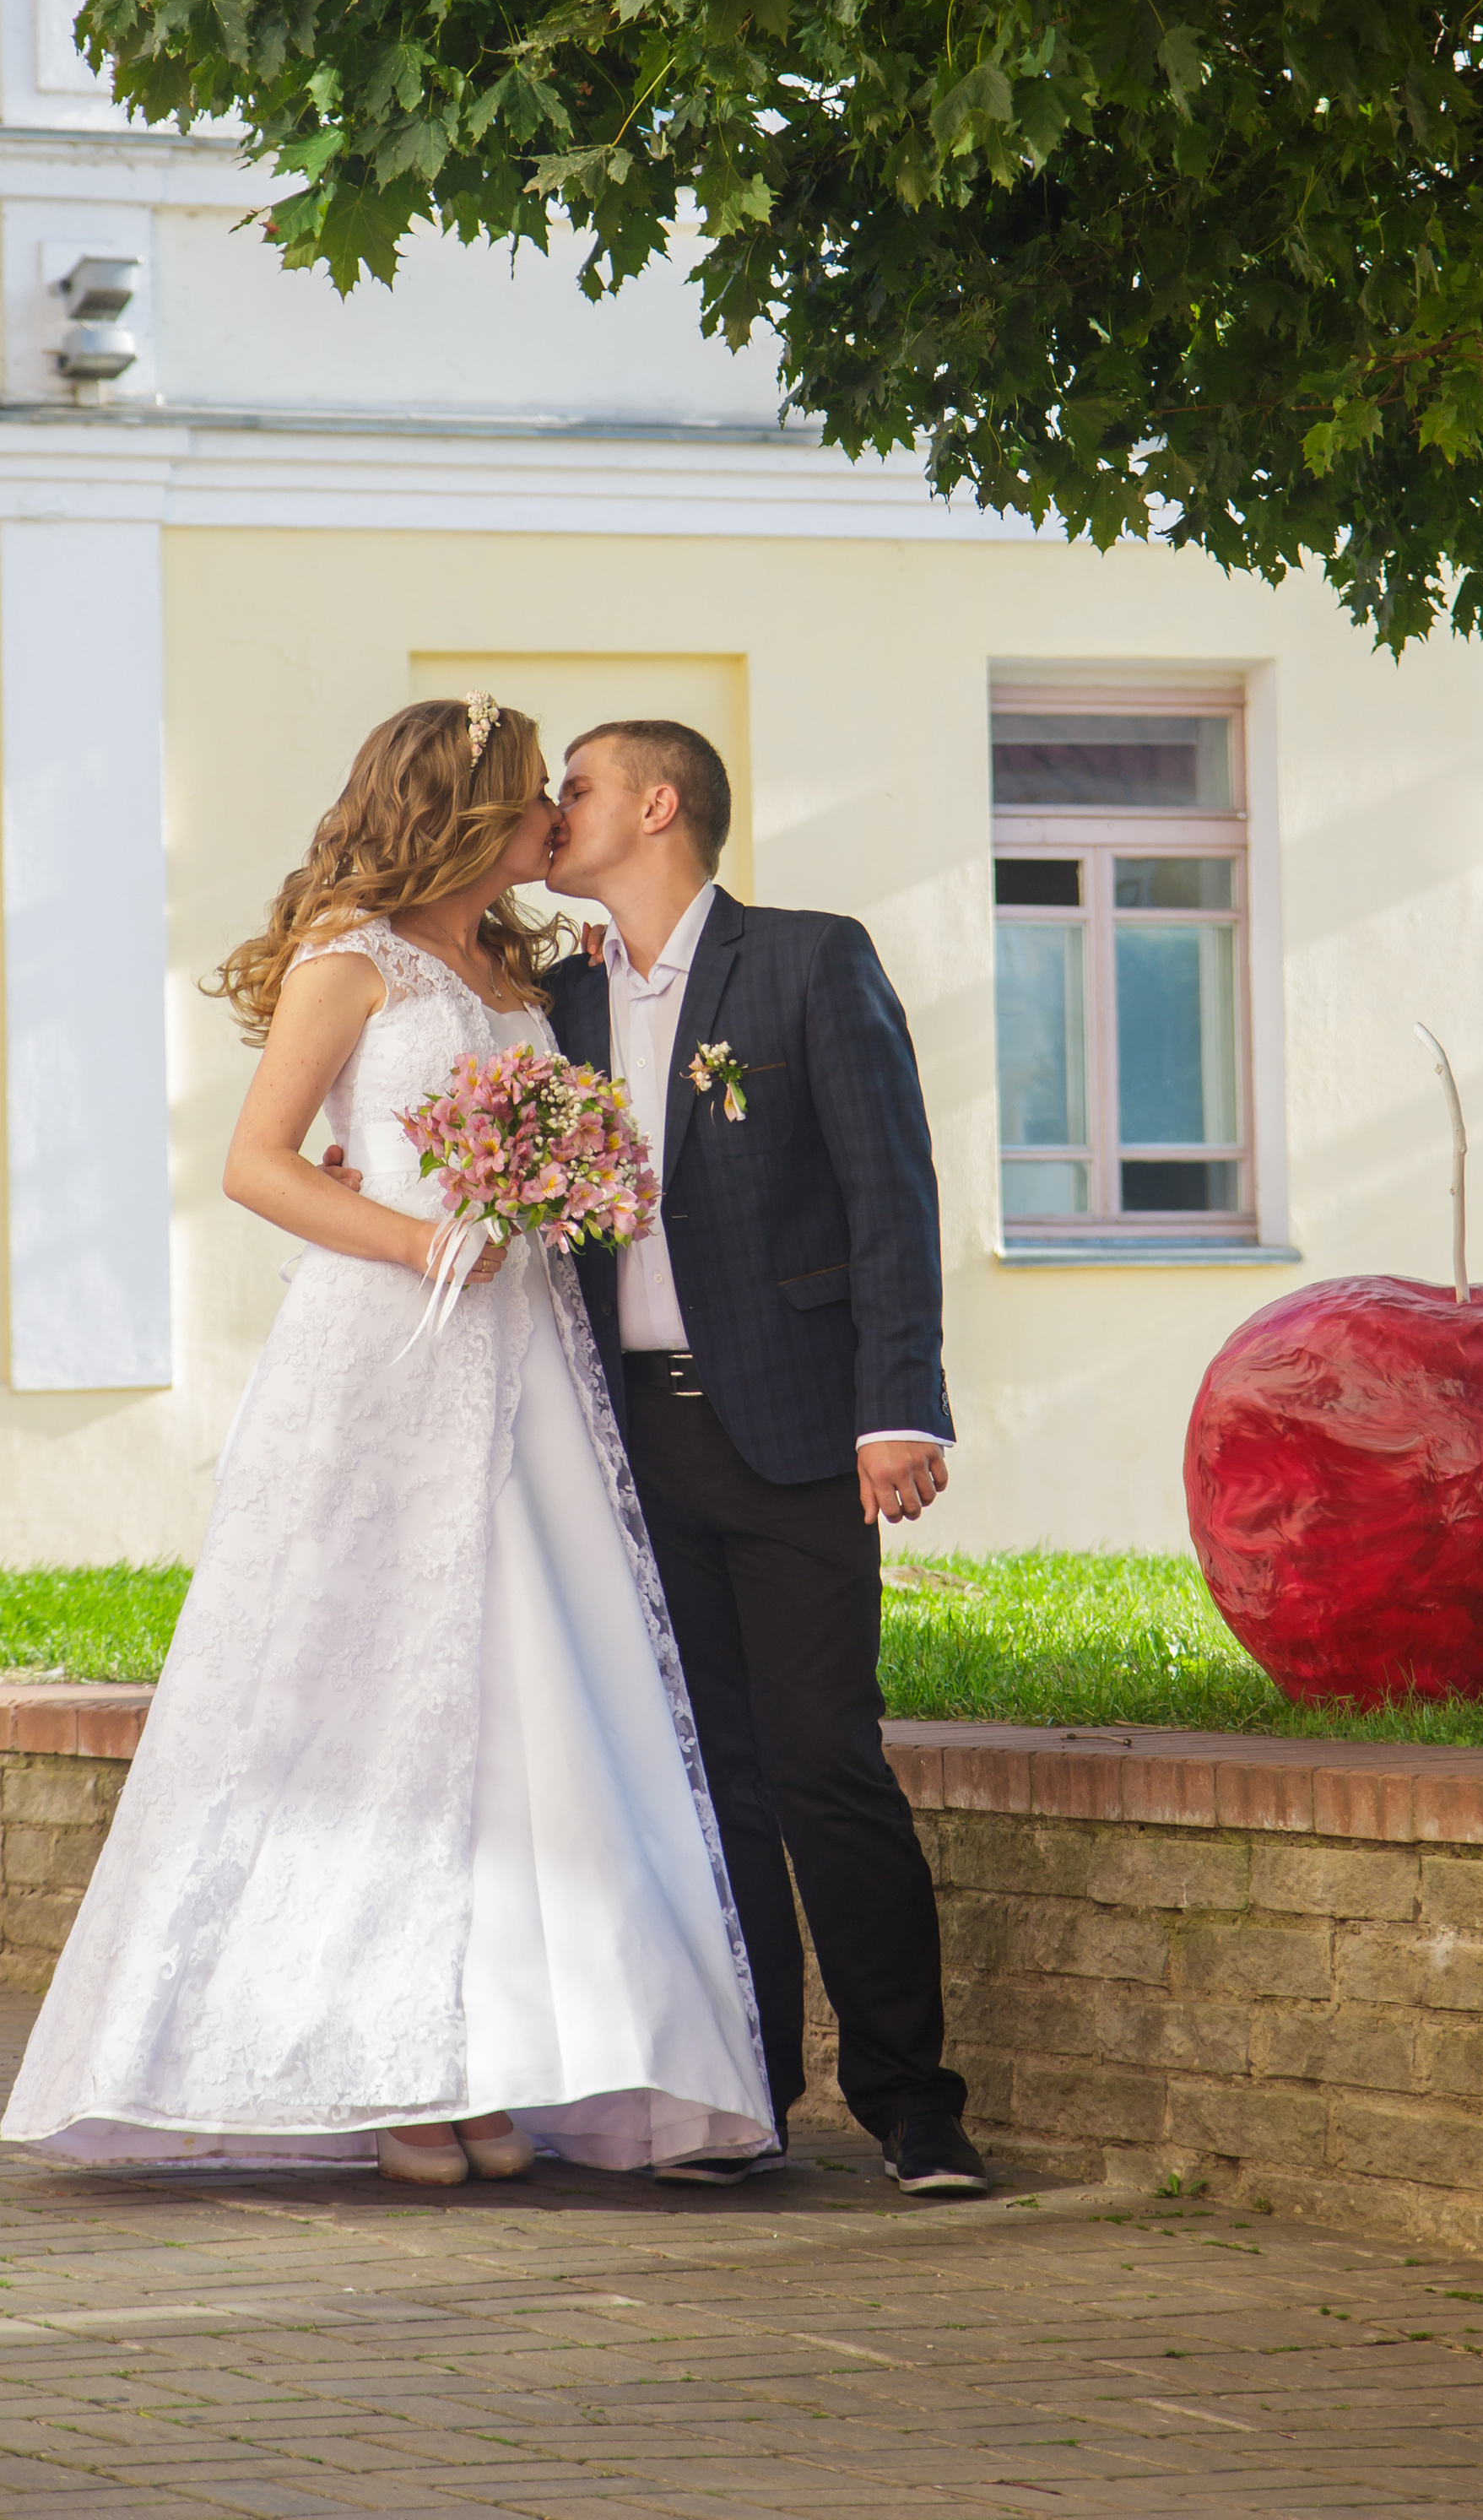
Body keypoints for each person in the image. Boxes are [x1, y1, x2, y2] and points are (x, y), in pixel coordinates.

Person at [0, 696, 775, 2187]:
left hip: (525, 1359)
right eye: (534, 788)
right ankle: (386, 2067)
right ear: (468, 804)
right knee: (359, 1692)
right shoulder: (350, 962)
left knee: (527, 1701)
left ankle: (494, 2063)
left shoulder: (529, 969)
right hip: (382, 1351)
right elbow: (256, 1166)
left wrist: (563, 1191)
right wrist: (416, 1234)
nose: (557, 809)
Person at [543, 719, 987, 2198]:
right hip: (627, 1440)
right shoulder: (552, 1003)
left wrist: (898, 1408)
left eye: (580, 785)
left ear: (658, 805)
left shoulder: (806, 960)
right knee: (702, 1777)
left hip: (797, 1434)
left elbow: (890, 1195)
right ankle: (746, 2100)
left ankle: (916, 2105)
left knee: (821, 1765)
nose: (557, 809)